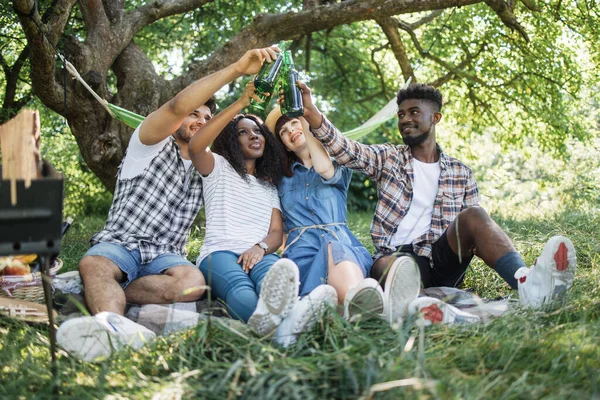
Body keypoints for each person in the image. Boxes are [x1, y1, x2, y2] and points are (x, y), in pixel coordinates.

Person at [57, 46, 284, 361]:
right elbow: (178, 106)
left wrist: (263, 105)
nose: (200, 121)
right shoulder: (147, 143)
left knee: (195, 284)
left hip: (165, 257)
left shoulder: (211, 166)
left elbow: (256, 150)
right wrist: (236, 69)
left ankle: (95, 289)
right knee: (96, 264)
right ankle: (114, 328)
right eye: (195, 114)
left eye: (207, 118)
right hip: (121, 243)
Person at [297, 81, 577, 325]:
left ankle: (526, 283)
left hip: (442, 259)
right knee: (384, 264)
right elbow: (347, 150)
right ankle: (425, 308)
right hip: (398, 260)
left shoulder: (461, 173)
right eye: (401, 114)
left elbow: (476, 237)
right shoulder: (388, 158)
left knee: (475, 215)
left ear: (436, 118)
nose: (405, 119)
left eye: (414, 112)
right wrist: (312, 113)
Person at [188, 81, 337, 345]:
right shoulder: (217, 168)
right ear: (231, 140)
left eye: (258, 131)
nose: (254, 136)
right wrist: (241, 104)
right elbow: (196, 146)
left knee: (277, 281)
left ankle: (283, 324)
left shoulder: (269, 185)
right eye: (244, 133)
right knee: (240, 287)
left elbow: (277, 233)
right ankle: (283, 334)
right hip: (219, 254)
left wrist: (259, 248)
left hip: (259, 253)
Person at [264, 105, 390, 325]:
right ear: (282, 143)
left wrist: (304, 118)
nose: (291, 130)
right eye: (283, 131)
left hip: (342, 248)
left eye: (294, 122)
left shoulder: (339, 163)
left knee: (335, 248)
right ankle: (354, 309)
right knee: (320, 263)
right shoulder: (280, 179)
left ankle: (353, 305)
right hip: (302, 254)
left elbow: (323, 169)